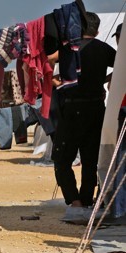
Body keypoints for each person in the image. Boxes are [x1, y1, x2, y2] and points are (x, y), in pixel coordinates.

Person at [51, 12, 116, 221]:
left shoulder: (70, 47)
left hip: (72, 109)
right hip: (96, 108)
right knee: (90, 159)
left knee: (62, 158)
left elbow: (46, 67)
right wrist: (104, 80)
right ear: (97, 30)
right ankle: (86, 201)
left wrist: (59, 83)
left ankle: (75, 202)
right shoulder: (104, 48)